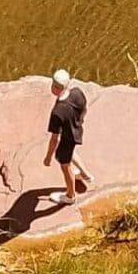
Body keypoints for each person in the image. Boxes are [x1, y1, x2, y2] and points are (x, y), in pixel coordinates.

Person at [44, 68, 90, 199]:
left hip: (67, 138)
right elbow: (85, 108)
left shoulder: (57, 112)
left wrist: (48, 157)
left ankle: (70, 196)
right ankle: (85, 174)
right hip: (77, 130)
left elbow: (55, 139)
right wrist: (79, 121)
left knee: (65, 165)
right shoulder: (77, 93)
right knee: (71, 152)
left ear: (55, 87)